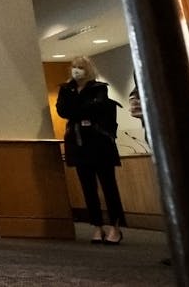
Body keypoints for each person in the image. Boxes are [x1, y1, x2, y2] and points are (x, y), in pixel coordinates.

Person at [56, 56, 125, 244]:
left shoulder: (99, 88)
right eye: (74, 67)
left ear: (88, 70)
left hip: (99, 143)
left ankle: (115, 227)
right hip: (78, 144)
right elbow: (63, 111)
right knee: (88, 188)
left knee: (108, 186)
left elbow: (95, 109)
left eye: (80, 67)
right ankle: (97, 226)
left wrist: (77, 109)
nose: (76, 70)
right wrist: (80, 106)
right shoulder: (66, 89)